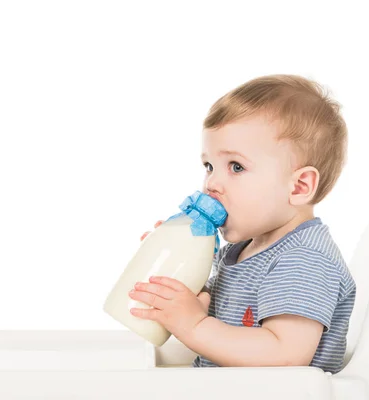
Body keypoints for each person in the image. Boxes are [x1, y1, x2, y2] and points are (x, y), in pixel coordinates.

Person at [130, 74, 356, 374]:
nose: (211, 183)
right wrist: (177, 264)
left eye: (236, 167)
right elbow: (210, 313)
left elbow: (285, 355)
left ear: (299, 186)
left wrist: (194, 325)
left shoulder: (304, 259)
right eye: (209, 166)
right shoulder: (241, 250)